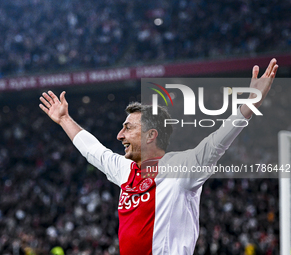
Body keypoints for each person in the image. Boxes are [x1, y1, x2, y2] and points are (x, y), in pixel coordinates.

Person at [39, 59, 278, 255]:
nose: (119, 135)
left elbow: (219, 140)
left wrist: (249, 103)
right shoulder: (125, 170)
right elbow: (94, 151)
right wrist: (63, 119)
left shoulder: (182, 167)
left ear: (151, 135)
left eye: (128, 128)